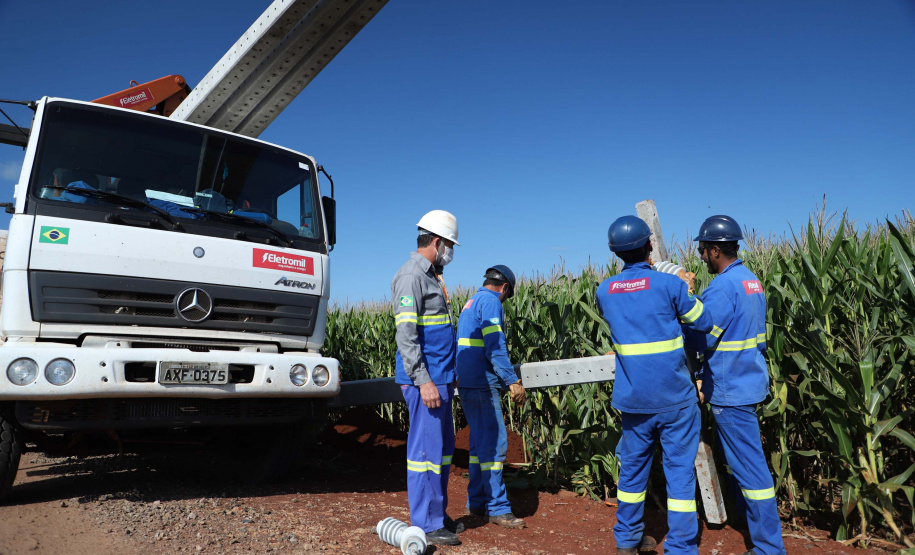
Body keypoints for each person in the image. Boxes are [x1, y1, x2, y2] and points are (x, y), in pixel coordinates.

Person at [596, 216, 713, 555]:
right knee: (679, 474)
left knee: (632, 474)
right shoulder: (669, 285)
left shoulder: (605, 290)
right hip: (675, 398)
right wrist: (687, 289)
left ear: (615, 252)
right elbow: (703, 321)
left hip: (634, 400)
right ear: (649, 245)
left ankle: (627, 541)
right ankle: (680, 547)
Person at [686, 215, 785, 555]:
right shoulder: (750, 281)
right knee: (742, 460)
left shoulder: (723, 287)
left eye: (702, 250)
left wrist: (684, 306)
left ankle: (769, 547)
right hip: (750, 380)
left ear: (715, 250)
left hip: (731, 389)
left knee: (749, 468)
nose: (701, 257)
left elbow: (701, 336)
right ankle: (745, 519)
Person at [392, 209, 464, 546]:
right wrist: (423, 381)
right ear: (437, 242)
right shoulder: (411, 276)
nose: (451, 251)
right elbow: (406, 336)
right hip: (425, 382)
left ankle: (437, 513)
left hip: (440, 379)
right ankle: (425, 522)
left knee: (443, 449)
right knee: (425, 453)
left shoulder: (433, 275)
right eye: (450, 245)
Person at [455, 265, 527, 529]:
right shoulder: (491, 302)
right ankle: (497, 508)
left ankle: (476, 502)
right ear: (505, 288)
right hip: (483, 384)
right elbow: (495, 345)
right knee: (496, 444)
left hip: (467, 381)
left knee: (477, 446)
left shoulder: (471, 301)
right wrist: (512, 381)